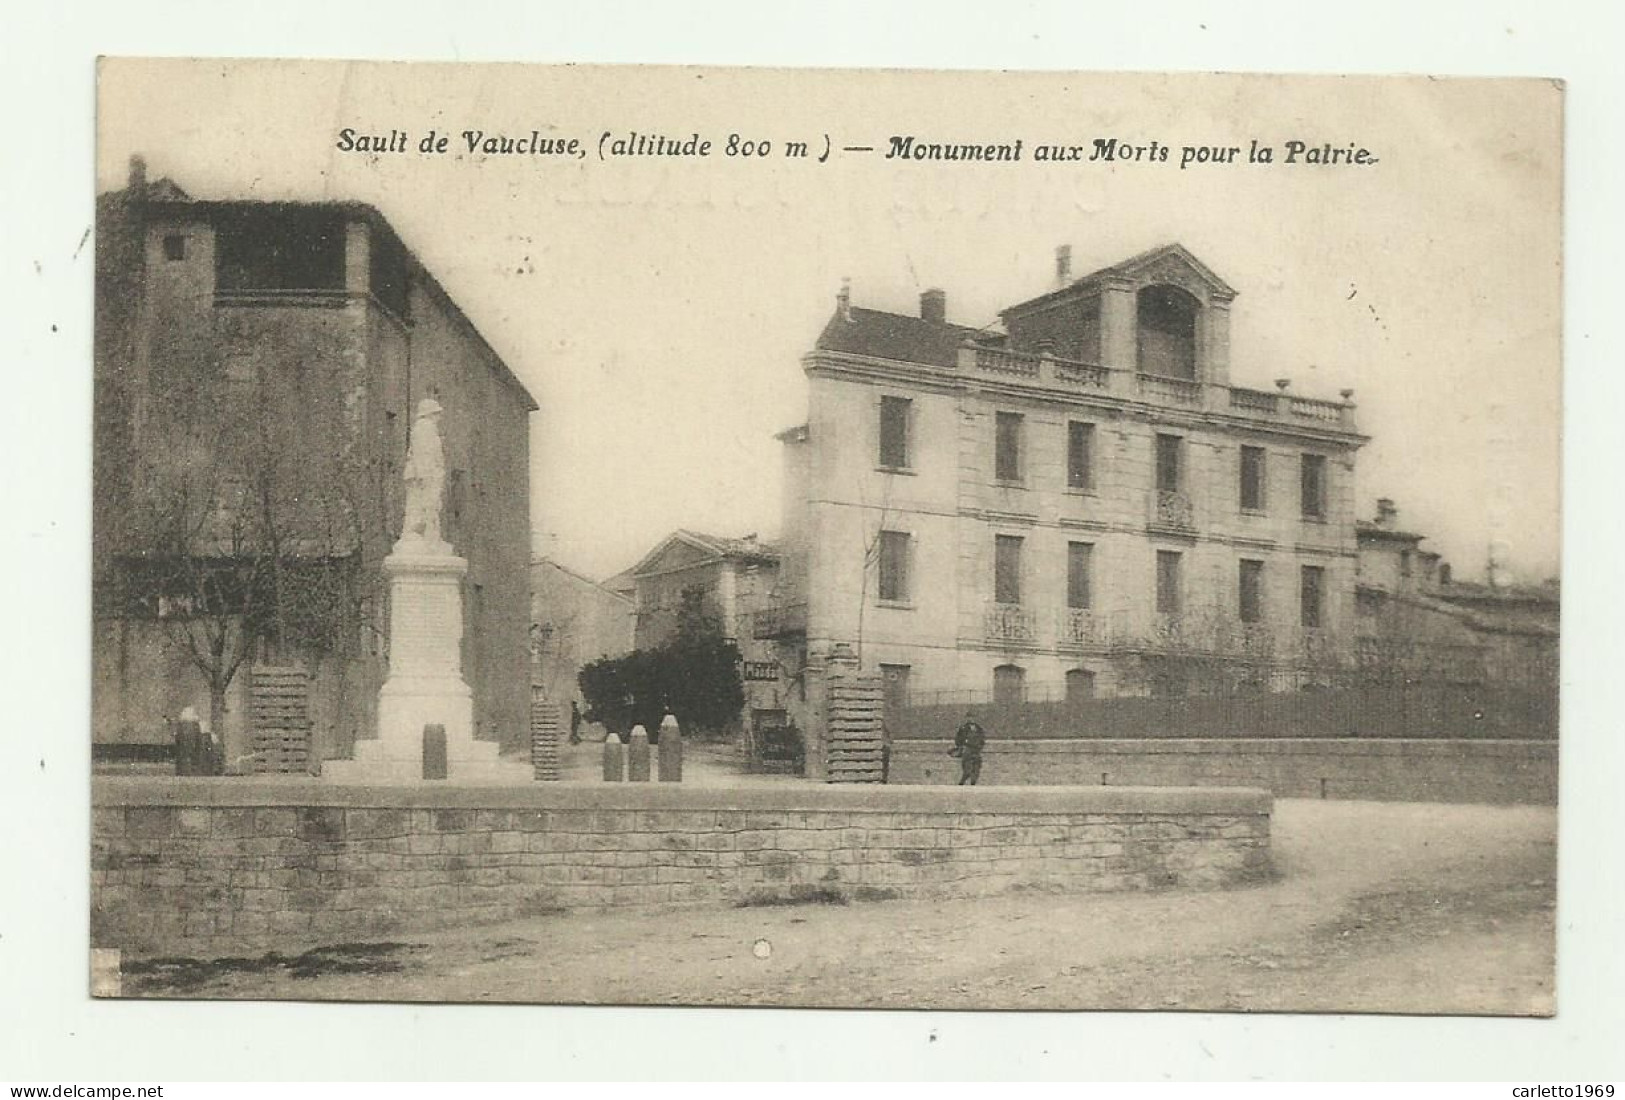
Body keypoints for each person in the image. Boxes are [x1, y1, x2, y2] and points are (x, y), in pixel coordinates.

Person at [949, 710, 986, 786]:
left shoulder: (979, 728)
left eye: (973, 717)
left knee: (976, 770)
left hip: (976, 750)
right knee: (967, 771)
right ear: (967, 718)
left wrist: (980, 746)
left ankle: (973, 785)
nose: (971, 719)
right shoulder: (963, 728)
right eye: (969, 717)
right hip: (967, 750)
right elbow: (958, 740)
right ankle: (961, 783)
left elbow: (982, 739)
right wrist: (962, 747)